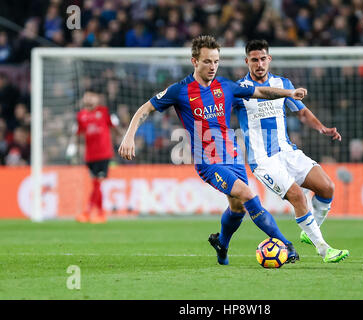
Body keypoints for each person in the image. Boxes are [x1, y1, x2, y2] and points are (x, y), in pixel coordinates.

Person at [118, 35, 307, 265]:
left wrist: (289, 93)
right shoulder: (180, 90)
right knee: (247, 195)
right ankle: (285, 244)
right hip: (208, 161)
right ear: (194, 61)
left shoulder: (225, 85)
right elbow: (145, 109)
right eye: (207, 61)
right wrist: (129, 135)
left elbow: (261, 92)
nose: (213, 66)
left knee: (237, 208)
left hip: (234, 156)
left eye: (216, 61)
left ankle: (222, 244)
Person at [233, 39, 349, 263]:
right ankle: (324, 248)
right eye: (254, 60)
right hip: (263, 160)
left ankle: (309, 231)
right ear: (247, 61)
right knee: (297, 195)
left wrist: (322, 128)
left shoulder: (283, 83)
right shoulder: (240, 90)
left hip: (287, 152)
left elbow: (303, 113)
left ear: (270, 60)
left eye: (263, 59)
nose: (259, 64)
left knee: (327, 187)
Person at [67, 90, 119, 224]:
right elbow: (78, 133)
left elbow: (115, 128)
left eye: (92, 96)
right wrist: (73, 147)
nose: (89, 98)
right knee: (96, 184)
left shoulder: (104, 112)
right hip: (90, 156)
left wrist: (124, 138)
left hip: (104, 153)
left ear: (97, 98)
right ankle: (101, 214)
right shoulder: (81, 116)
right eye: (87, 96)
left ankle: (87, 212)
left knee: (97, 183)